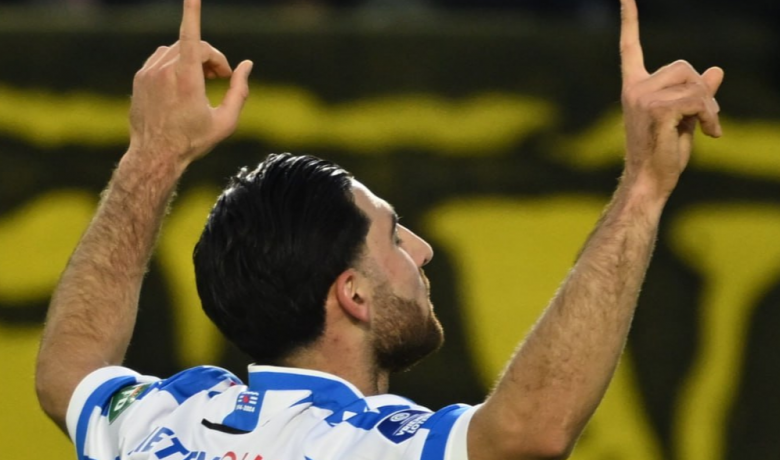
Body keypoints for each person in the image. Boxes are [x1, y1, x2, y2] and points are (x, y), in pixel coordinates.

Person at [34, 0, 723, 458]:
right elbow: (530, 430)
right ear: (352, 294)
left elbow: (68, 370)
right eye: (393, 236)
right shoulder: (363, 443)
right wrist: (643, 186)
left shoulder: (165, 422)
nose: (423, 250)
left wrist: (152, 155)